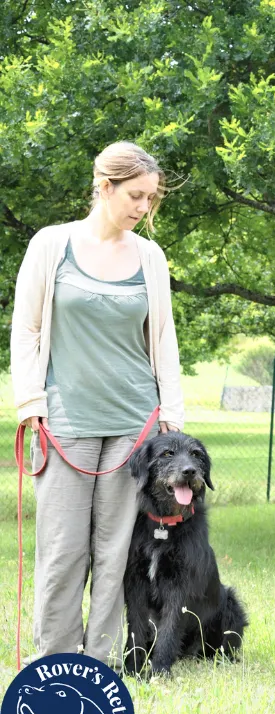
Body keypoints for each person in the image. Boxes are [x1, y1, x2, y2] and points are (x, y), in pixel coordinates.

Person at [10, 141, 185, 668]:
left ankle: (98, 661)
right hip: (66, 418)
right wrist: (29, 403)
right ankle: (54, 660)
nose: (143, 208)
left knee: (113, 554)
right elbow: (27, 328)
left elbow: (164, 338)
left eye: (150, 199)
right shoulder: (51, 245)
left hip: (136, 423)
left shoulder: (149, 257)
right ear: (104, 187)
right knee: (64, 551)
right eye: (135, 196)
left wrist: (172, 414)